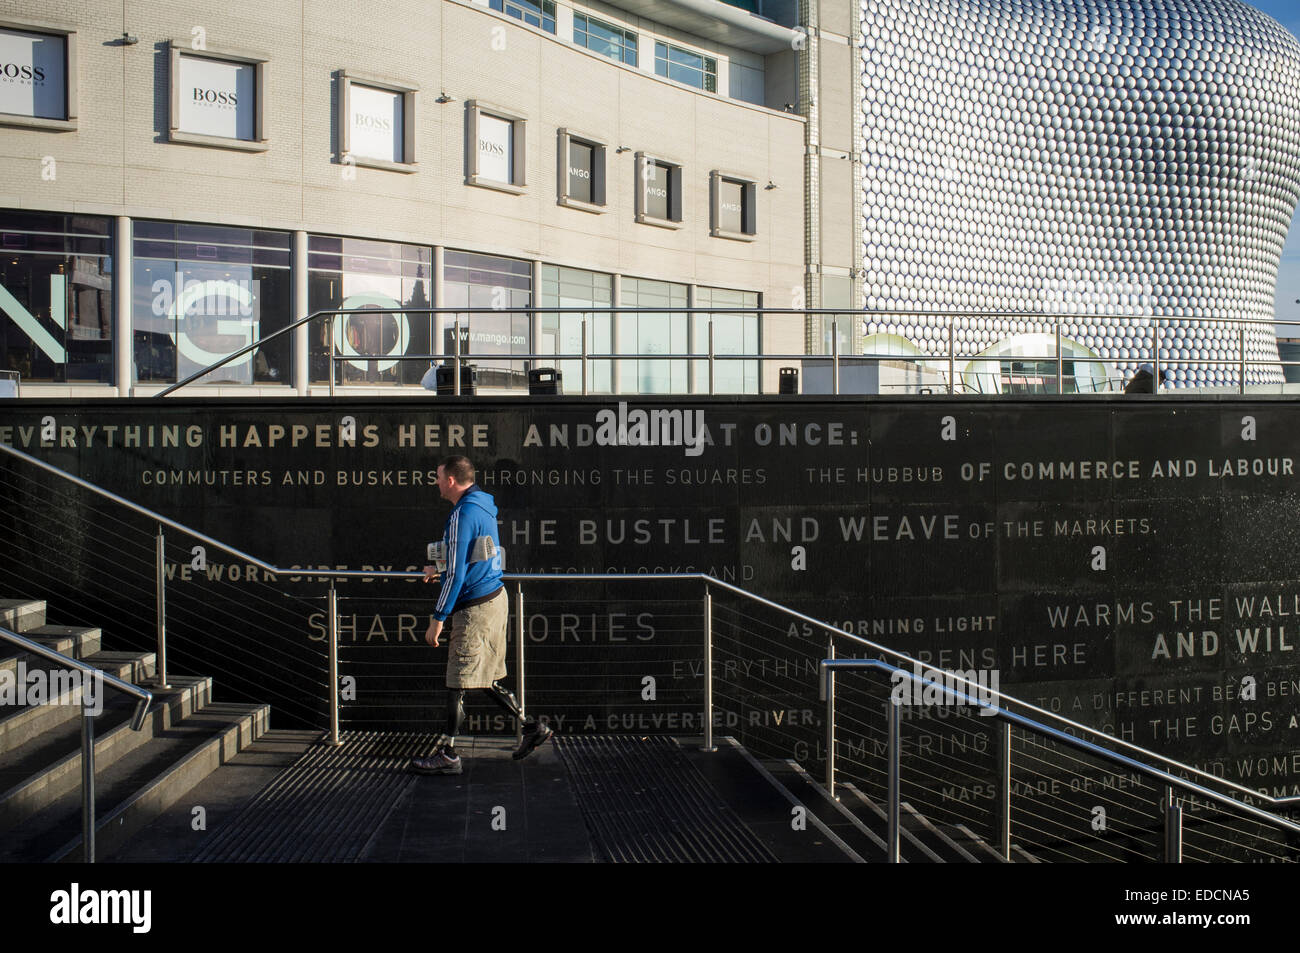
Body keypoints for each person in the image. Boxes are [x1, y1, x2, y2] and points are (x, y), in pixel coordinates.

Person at [410, 454, 553, 775]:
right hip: (491, 599)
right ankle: (532, 727)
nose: (434, 482)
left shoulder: (463, 513)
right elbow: (475, 553)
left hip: (474, 607)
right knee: (483, 676)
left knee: (456, 681)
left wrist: (438, 617)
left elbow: (459, 574)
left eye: (437, 476)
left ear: (450, 480)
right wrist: (441, 566)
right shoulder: (482, 507)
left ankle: (447, 754)